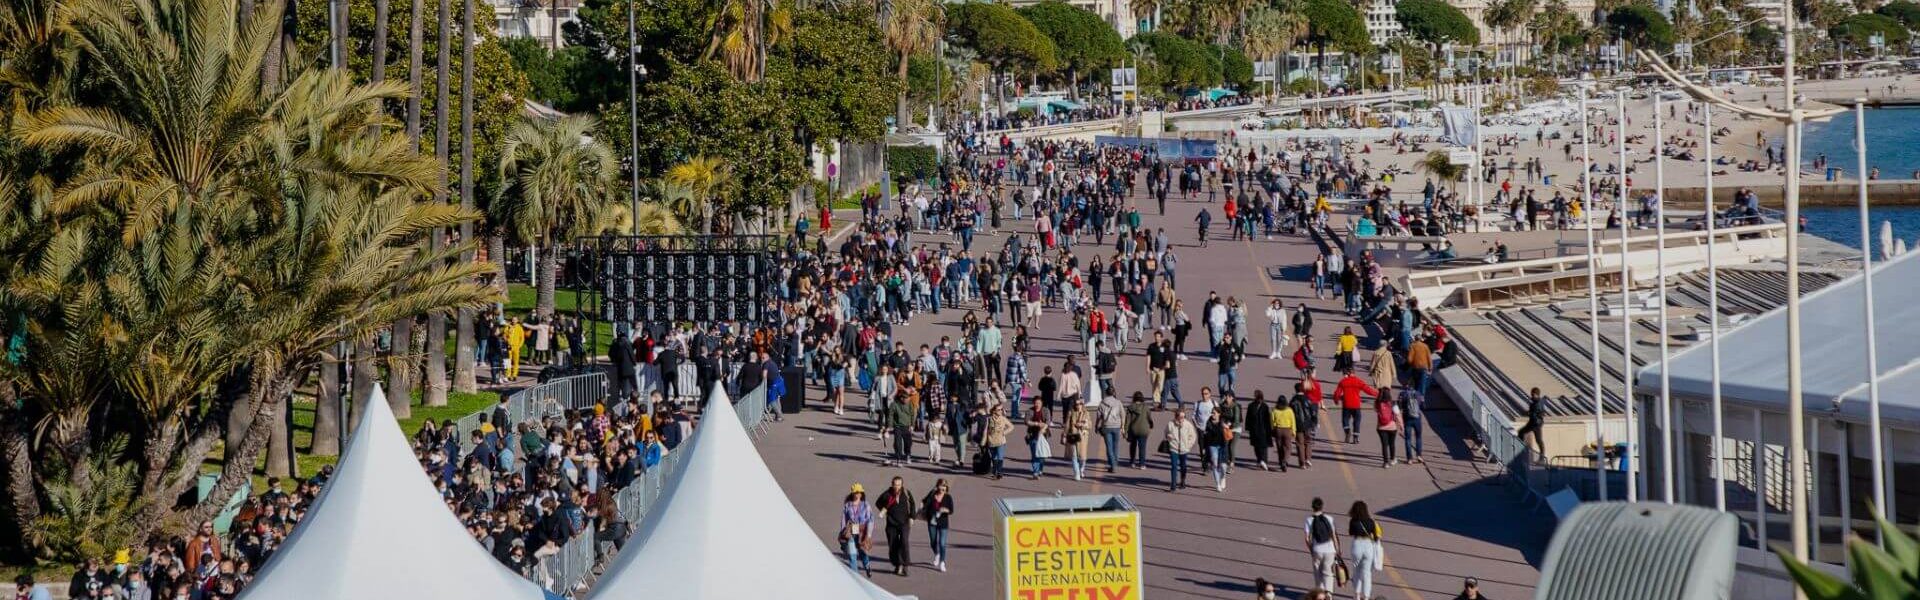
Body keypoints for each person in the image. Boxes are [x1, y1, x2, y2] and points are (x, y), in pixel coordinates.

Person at [875, 476, 918, 576]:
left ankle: (905, 565)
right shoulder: (887, 494)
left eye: (899, 485)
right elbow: (878, 503)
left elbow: (912, 505)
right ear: (892, 484)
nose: (897, 487)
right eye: (895, 485)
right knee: (893, 544)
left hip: (904, 522)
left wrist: (912, 517)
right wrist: (884, 510)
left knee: (904, 542)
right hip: (891, 523)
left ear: (902, 485)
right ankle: (898, 564)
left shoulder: (906, 493)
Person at [1349, 501, 1385, 600]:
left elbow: (1351, 533)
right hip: (1368, 546)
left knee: (1356, 571)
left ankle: (1356, 595)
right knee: (1367, 573)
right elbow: (1376, 535)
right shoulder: (1371, 521)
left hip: (1357, 544)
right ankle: (1366, 597)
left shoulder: (1353, 521)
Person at [1304, 497, 1341, 592]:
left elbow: (1307, 538)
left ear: (1312, 507)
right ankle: (1328, 594)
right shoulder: (1329, 518)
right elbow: (1333, 535)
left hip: (1317, 549)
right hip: (1330, 550)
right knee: (1328, 574)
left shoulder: (1309, 520)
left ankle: (1319, 595)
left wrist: (1311, 550)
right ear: (1322, 507)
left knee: (1318, 574)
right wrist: (1337, 549)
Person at [1334, 370, 1378, 444]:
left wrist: (1336, 400)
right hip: (1356, 404)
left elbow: (1337, 393)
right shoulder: (1358, 381)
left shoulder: (1343, 382)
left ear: (1347, 373)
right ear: (1354, 373)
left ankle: (1347, 432)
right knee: (1357, 421)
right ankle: (1355, 437)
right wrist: (1377, 394)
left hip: (1346, 404)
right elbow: (1368, 390)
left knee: (1345, 420)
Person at [922, 479, 956, 573]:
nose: (943, 488)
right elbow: (924, 502)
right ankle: (936, 553)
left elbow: (951, 510)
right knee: (933, 542)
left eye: (944, 486)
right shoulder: (932, 494)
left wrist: (945, 510)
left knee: (942, 543)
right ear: (937, 486)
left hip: (943, 523)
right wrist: (920, 507)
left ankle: (942, 562)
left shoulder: (948, 497)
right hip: (932, 522)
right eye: (941, 486)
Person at [841, 484, 875, 576]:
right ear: (852, 493)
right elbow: (844, 520)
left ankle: (867, 565)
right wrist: (842, 532)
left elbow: (870, 519)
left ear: (862, 493)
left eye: (859, 492)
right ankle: (856, 577)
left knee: (862, 551)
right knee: (852, 555)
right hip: (852, 528)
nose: (857, 494)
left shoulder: (866, 505)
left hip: (862, 529)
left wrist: (868, 535)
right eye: (856, 492)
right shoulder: (847, 505)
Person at [1165, 409, 1198, 491]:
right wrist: (1168, 436)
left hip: (1184, 449)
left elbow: (1193, 436)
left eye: (1183, 417)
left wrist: (1188, 445)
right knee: (1174, 466)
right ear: (1176, 417)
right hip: (1174, 448)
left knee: (1183, 466)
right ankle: (1173, 485)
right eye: (1180, 417)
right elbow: (1166, 432)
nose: (1181, 419)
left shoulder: (1188, 425)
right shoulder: (1170, 424)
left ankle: (1183, 481)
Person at [1244, 391, 1273, 471]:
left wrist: (1269, 429)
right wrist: (1247, 427)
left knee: (1263, 446)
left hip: (1263, 429)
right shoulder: (1251, 406)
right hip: (1254, 429)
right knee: (1256, 446)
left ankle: (1263, 461)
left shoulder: (1265, 406)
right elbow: (1248, 417)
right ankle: (1260, 460)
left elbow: (1268, 419)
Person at [1202, 411, 1230, 492]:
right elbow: (1205, 436)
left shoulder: (1223, 421)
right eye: (1212, 413)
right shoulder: (1208, 422)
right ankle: (1217, 484)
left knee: (1223, 466)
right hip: (1212, 445)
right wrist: (1204, 447)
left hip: (1222, 446)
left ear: (1219, 413)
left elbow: (1230, 423)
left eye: (1214, 413)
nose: (1213, 414)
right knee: (1214, 464)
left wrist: (1227, 426)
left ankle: (1223, 477)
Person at [1064, 401, 1092, 480]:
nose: (1078, 406)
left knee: (1082, 457)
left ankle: (1081, 469)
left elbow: (1090, 425)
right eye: (1076, 404)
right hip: (1073, 436)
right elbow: (1067, 425)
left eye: (1080, 404)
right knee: (1074, 455)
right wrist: (1064, 435)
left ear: (1082, 405)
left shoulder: (1086, 413)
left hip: (1083, 437)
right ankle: (1076, 473)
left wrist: (1082, 425)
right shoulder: (1071, 413)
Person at [1099, 390, 1126, 472]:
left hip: (1107, 426)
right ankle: (1115, 461)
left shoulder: (1102, 403)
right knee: (1116, 446)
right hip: (1117, 426)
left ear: (1106, 393)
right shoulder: (1118, 403)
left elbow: (1099, 415)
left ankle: (1112, 464)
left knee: (1109, 447)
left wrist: (1097, 425)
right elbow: (1123, 414)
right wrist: (1123, 426)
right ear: (1114, 393)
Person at [1125, 391, 1154, 468]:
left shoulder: (1130, 407)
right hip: (1143, 429)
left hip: (1133, 429)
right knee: (1142, 447)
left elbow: (1127, 420)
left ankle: (1132, 462)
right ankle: (1142, 464)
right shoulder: (1146, 407)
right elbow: (1149, 418)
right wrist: (1151, 425)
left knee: (1133, 446)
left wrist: (1125, 430)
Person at [1517, 387, 1546, 461]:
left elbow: (1536, 414)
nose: (1532, 396)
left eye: (1533, 394)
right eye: (1531, 394)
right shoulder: (1537, 402)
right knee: (1522, 432)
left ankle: (1542, 456)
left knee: (1538, 440)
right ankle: (1522, 450)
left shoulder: (1537, 403)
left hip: (1535, 424)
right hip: (1533, 423)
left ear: (1536, 394)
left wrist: (1528, 413)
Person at [985, 405, 1014, 479]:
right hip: (991, 441)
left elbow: (1011, 426)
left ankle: (999, 473)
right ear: (994, 411)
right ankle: (995, 471)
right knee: (994, 457)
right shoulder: (989, 419)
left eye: (1001, 409)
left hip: (1001, 441)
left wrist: (1004, 432)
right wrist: (984, 440)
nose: (1000, 411)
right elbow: (986, 430)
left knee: (1000, 457)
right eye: (999, 410)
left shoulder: (1003, 419)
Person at [1375, 387, 1401, 467]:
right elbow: (1398, 415)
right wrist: (1401, 425)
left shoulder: (1377, 403)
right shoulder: (1393, 403)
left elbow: (1376, 410)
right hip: (1392, 427)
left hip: (1381, 427)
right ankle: (1393, 459)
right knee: (1392, 443)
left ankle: (1385, 462)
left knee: (1384, 445)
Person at [1026, 405, 1052, 479]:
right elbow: (1026, 421)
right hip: (1032, 435)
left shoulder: (1046, 411)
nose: (1037, 404)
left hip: (1043, 435)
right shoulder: (1030, 411)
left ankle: (1040, 469)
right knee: (1034, 454)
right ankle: (1035, 472)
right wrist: (1036, 424)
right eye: (1036, 402)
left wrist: (1043, 428)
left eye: (1039, 403)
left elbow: (1048, 421)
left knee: (1041, 455)